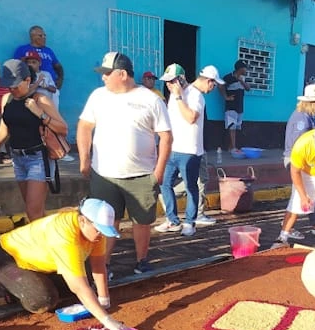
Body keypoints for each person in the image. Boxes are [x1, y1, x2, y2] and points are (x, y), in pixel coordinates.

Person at [77, 51, 172, 277]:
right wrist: (84, 159)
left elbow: (166, 137)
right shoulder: (98, 96)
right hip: (104, 174)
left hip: (141, 175)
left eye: (107, 73)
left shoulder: (151, 99)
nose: (103, 77)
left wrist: (159, 170)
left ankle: (142, 260)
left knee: (142, 221)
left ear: (122, 74)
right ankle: (104, 265)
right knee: (106, 220)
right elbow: (84, 127)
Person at [0, 198, 136, 330]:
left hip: (45, 263)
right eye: (98, 229)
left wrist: (104, 299)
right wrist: (107, 320)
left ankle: (44, 282)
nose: (101, 235)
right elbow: (79, 287)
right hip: (8, 259)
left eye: (104, 231)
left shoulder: (95, 233)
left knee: (83, 283)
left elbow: (98, 265)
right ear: (83, 220)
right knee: (43, 300)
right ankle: (10, 287)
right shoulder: (64, 235)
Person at [0, 60, 67, 222]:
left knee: (33, 212)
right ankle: (50, 236)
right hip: (18, 159)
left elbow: (63, 128)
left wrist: (40, 114)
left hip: (38, 158)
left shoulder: (40, 100)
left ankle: (42, 239)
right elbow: (4, 130)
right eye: (9, 86)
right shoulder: (7, 99)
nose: (12, 89)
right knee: (35, 211)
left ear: (27, 80)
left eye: (15, 86)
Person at [154, 63, 219, 237]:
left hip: (189, 150)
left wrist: (178, 97)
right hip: (172, 148)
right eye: (167, 82)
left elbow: (191, 118)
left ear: (180, 80)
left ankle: (189, 222)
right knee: (165, 184)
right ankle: (172, 220)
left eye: (171, 81)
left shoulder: (196, 96)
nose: (168, 85)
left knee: (191, 187)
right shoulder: (175, 95)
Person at [275, 83, 315, 245]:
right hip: (297, 160)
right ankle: (287, 229)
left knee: (308, 192)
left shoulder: (307, 116)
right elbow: (298, 144)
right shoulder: (301, 118)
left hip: (301, 160)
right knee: (300, 195)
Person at [13, 25, 63, 108]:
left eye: (44, 35)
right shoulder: (22, 49)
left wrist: (60, 79)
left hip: (49, 86)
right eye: (40, 35)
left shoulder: (48, 50)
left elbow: (57, 66)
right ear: (32, 36)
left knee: (51, 109)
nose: (44, 38)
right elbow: (15, 67)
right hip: (31, 86)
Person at [220, 59, 250, 152]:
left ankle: (231, 147)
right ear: (240, 69)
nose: (246, 70)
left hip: (240, 106)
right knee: (232, 126)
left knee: (236, 127)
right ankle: (233, 148)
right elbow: (220, 86)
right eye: (245, 68)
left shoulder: (243, 78)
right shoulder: (228, 77)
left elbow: (248, 88)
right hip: (231, 106)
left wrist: (241, 81)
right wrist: (226, 97)